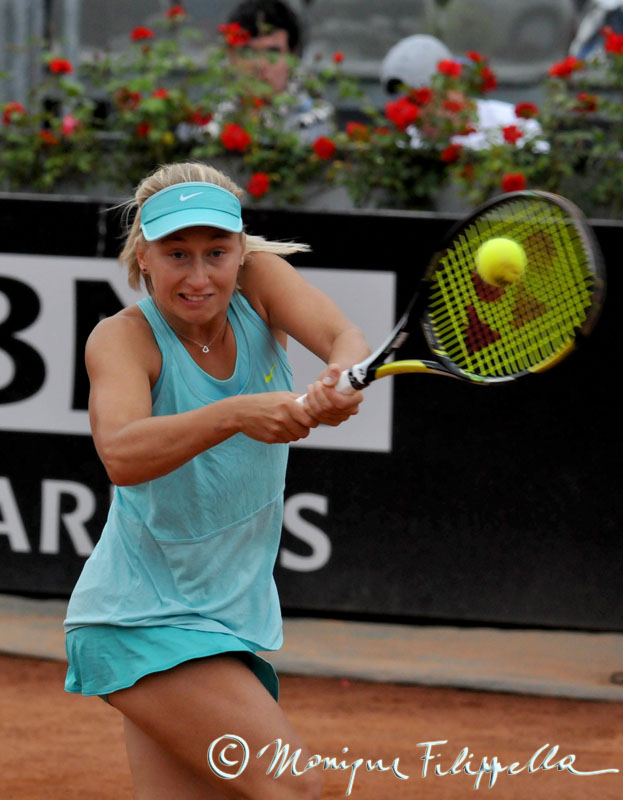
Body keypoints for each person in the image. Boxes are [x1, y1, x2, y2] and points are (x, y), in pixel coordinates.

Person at [63, 160, 368, 798]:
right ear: (144, 257)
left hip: (226, 614)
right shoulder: (120, 339)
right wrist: (236, 413)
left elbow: (342, 337)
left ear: (240, 252)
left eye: (216, 253)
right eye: (177, 254)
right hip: (140, 617)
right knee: (295, 787)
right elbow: (121, 453)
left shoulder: (260, 281)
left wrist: (340, 379)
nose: (199, 276)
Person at [380, 34, 544, 152]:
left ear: (452, 83)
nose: (417, 115)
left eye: (421, 101)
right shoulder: (406, 146)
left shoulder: (518, 124)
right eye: (407, 106)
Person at [221, 0, 333, 141]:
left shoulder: (314, 119)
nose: (260, 65)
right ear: (231, 56)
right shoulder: (214, 114)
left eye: (272, 52)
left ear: (294, 55)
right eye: (248, 52)